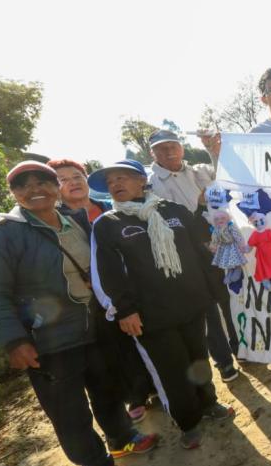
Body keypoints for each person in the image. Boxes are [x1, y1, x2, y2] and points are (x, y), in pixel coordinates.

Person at [0, 161, 158, 466]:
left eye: (43, 182)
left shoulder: (74, 220)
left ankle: (120, 439)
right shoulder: (0, 233)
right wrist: (14, 341)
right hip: (48, 340)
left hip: (93, 328)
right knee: (68, 410)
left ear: (56, 187)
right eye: (24, 186)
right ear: (14, 193)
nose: (35, 190)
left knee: (107, 390)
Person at [90, 160, 235, 449]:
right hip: (150, 317)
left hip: (192, 305)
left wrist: (218, 278)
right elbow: (105, 273)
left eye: (122, 178)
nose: (115, 184)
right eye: (110, 182)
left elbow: (201, 249)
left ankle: (209, 404)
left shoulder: (173, 211)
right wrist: (124, 310)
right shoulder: (108, 224)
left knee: (198, 359)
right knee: (171, 372)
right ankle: (188, 422)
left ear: (141, 180)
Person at [48, 158, 153, 423]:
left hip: (135, 287)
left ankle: (155, 385)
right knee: (116, 347)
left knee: (147, 336)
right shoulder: (56, 223)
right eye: (62, 179)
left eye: (76, 176)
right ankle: (136, 396)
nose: (72, 182)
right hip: (94, 300)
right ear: (55, 188)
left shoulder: (111, 208)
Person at [146, 129, 241, 384]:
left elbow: (229, 176)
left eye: (173, 146)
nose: (168, 152)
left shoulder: (200, 170)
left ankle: (240, 348)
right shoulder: (149, 182)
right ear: (152, 153)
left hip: (217, 245)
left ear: (182, 148)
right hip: (184, 254)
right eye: (161, 148)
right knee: (206, 309)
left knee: (228, 298)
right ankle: (224, 362)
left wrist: (215, 150)